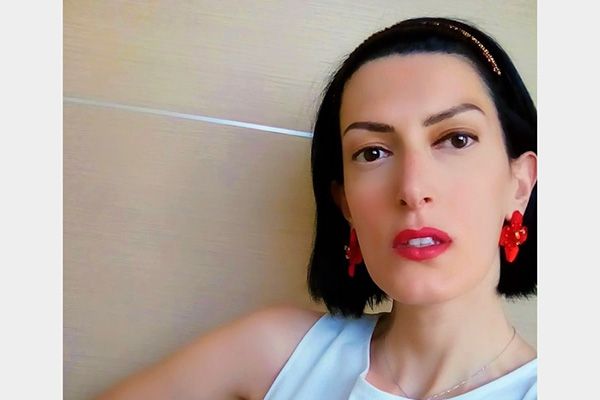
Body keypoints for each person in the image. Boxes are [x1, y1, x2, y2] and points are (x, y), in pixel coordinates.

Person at [97, 16, 537, 400]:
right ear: (345, 203)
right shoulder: (274, 354)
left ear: (520, 183)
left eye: (456, 139)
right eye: (372, 152)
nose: (412, 188)